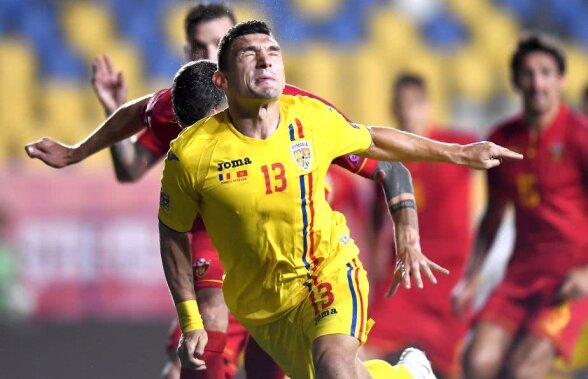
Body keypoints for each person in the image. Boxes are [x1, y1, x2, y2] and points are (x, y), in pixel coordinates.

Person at [25, 5, 424, 378]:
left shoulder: (290, 107)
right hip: (214, 241)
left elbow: (383, 162)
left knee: (316, 365)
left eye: (218, 45)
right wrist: (81, 146)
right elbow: (135, 142)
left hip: (292, 255)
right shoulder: (184, 102)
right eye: (199, 47)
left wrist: (406, 232)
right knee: (194, 355)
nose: (207, 54)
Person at [159, 20, 521, 379]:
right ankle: (407, 375)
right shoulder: (191, 155)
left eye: (272, 52)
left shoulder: (311, 119)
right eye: (248, 54)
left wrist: (457, 154)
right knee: (340, 373)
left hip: (327, 271)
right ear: (222, 80)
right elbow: (171, 231)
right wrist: (190, 319)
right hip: (264, 305)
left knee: (335, 364)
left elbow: (376, 146)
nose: (265, 60)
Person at [452, 32, 588, 379]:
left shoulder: (579, 136)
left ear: (561, 80)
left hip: (569, 279)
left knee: (522, 371)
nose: (537, 82)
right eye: (528, 73)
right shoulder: (502, 139)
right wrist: (471, 277)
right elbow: (494, 215)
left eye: (545, 72)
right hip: (519, 275)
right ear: (516, 81)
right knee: (476, 362)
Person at [362, 74, 477, 379]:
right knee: (355, 353)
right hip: (406, 285)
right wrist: (376, 275)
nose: (408, 112)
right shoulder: (387, 162)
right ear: (392, 110)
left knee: (458, 368)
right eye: (401, 105)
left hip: (450, 284)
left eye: (414, 104)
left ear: (429, 106)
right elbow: (375, 225)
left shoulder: (459, 145)